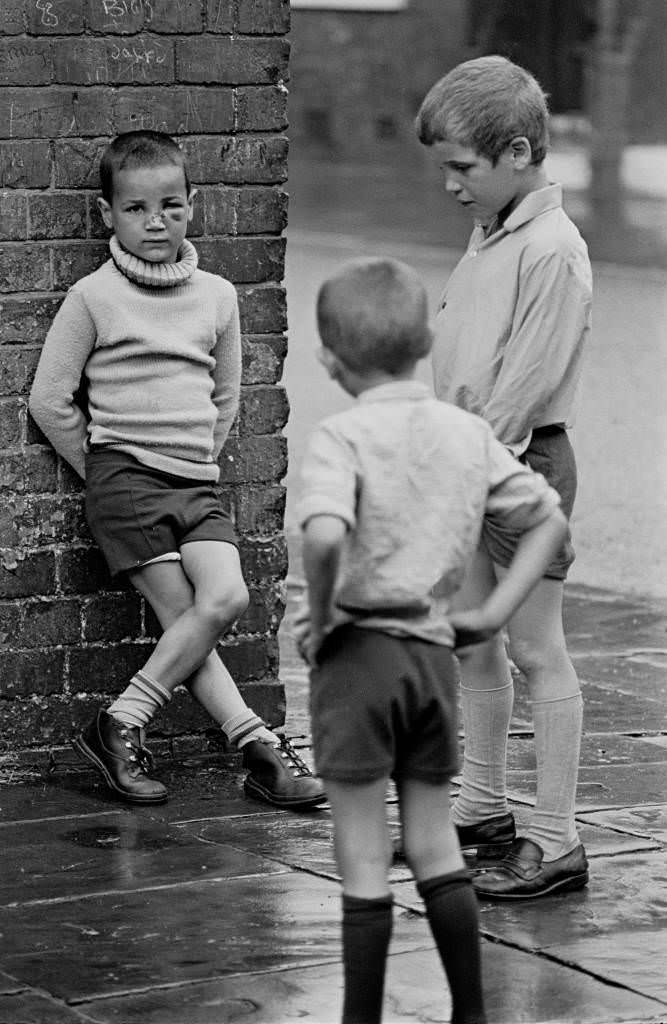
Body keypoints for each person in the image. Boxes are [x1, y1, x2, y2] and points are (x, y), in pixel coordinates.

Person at [296, 256, 568, 1024]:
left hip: (356, 660)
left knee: (360, 852)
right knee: (434, 845)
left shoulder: (340, 437)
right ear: (423, 344)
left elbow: (321, 538)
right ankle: (470, 1014)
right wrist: (489, 614)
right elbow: (547, 520)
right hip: (430, 659)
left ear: (328, 358)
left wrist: (320, 619)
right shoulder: (466, 434)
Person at [28, 129, 324, 811]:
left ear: (194, 204)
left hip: (195, 483)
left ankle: (120, 719)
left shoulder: (216, 297)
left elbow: (224, 397)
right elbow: (49, 398)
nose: (154, 220)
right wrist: (101, 465)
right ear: (108, 215)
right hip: (125, 483)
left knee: (223, 601)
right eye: (135, 208)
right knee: (185, 613)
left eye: (170, 205)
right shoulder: (93, 298)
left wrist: (198, 456)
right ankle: (258, 750)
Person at [414, 55, 592, 899]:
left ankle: (556, 841)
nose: (450, 185)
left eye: (462, 167)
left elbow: (521, 384)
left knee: (534, 649)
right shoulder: (492, 234)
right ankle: (482, 809)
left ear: (517, 151)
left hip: (519, 470)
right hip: (469, 462)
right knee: (475, 641)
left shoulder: (551, 250)